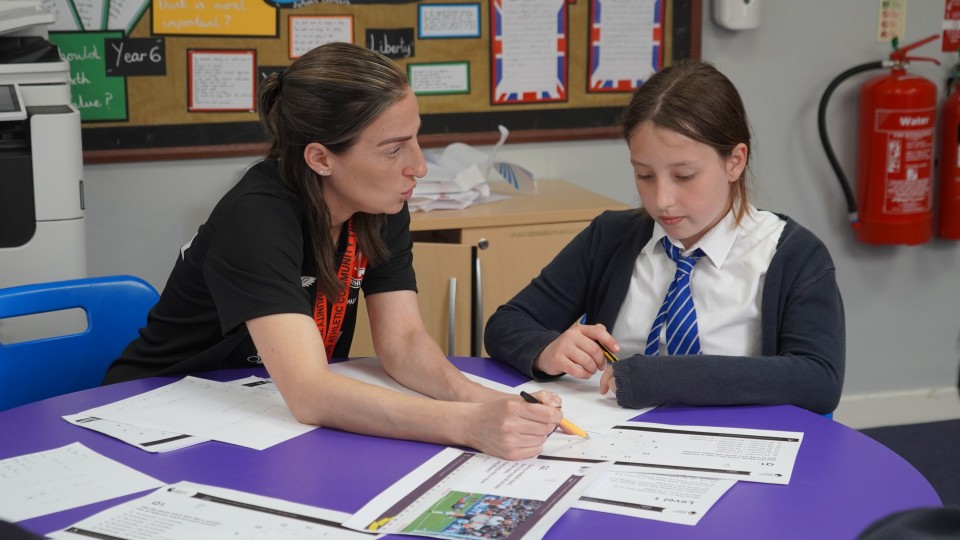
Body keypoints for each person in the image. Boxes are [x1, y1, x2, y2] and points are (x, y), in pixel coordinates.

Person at [102, 42, 562, 460]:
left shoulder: (381, 204)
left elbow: (402, 343)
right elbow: (310, 393)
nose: (418, 166)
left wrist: (487, 402)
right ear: (320, 158)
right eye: (393, 150)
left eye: (416, 138)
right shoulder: (255, 217)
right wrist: (467, 426)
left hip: (262, 411)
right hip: (161, 414)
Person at [483, 60, 844, 415]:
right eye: (644, 175)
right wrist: (548, 349)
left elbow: (818, 379)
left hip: (735, 444)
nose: (662, 200)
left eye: (684, 176)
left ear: (735, 161)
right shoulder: (611, 237)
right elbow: (507, 324)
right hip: (615, 440)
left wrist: (662, 376)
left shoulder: (794, 254)